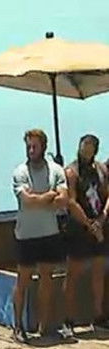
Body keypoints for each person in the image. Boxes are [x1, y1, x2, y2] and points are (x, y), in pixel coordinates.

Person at [11, 129, 69, 343]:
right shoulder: (20, 172)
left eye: (34, 146)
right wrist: (49, 195)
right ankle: (18, 326)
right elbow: (28, 201)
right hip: (26, 234)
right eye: (28, 146)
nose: (31, 150)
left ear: (43, 147)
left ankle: (45, 325)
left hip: (49, 233)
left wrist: (41, 198)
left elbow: (63, 200)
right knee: (23, 279)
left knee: (47, 279)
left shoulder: (56, 170)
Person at [62, 134, 109, 337]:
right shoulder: (71, 172)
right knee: (73, 273)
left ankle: (98, 316)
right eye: (84, 147)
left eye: (90, 149)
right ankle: (68, 320)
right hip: (78, 228)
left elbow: (107, 194)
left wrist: (102, 219)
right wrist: (89, 224)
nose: (86, 152)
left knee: (99, 271)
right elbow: (71, 202)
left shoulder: (101, 170)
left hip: (100, 224)